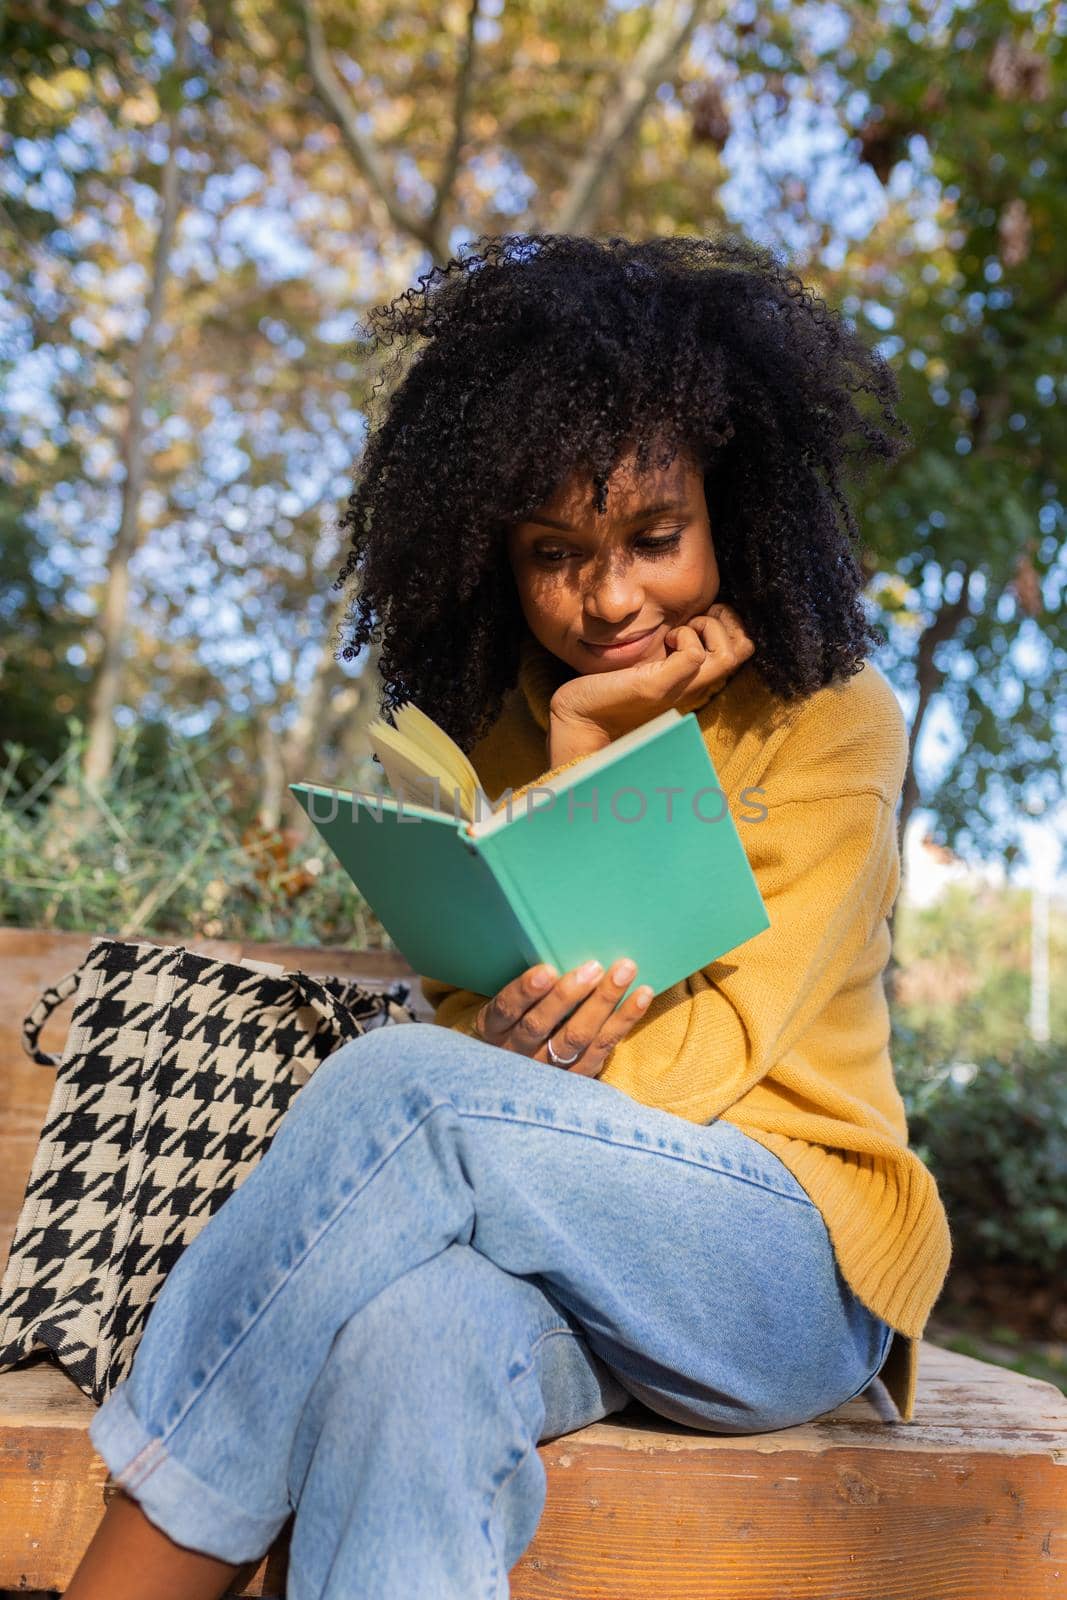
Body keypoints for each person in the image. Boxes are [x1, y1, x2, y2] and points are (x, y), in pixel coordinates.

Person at [68, 232, 951, 1600]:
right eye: (557, 555)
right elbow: (492, 1009)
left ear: (737, 506)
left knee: (407, 1090)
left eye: (654, 538)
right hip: (561, 1247)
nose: (608, 599)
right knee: (405, 1344)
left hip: (788, 1261)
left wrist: (519, 1061)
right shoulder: (505, 731)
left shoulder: (831, 720)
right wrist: (574, 766)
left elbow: (721, 1054)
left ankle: (127, 1578)